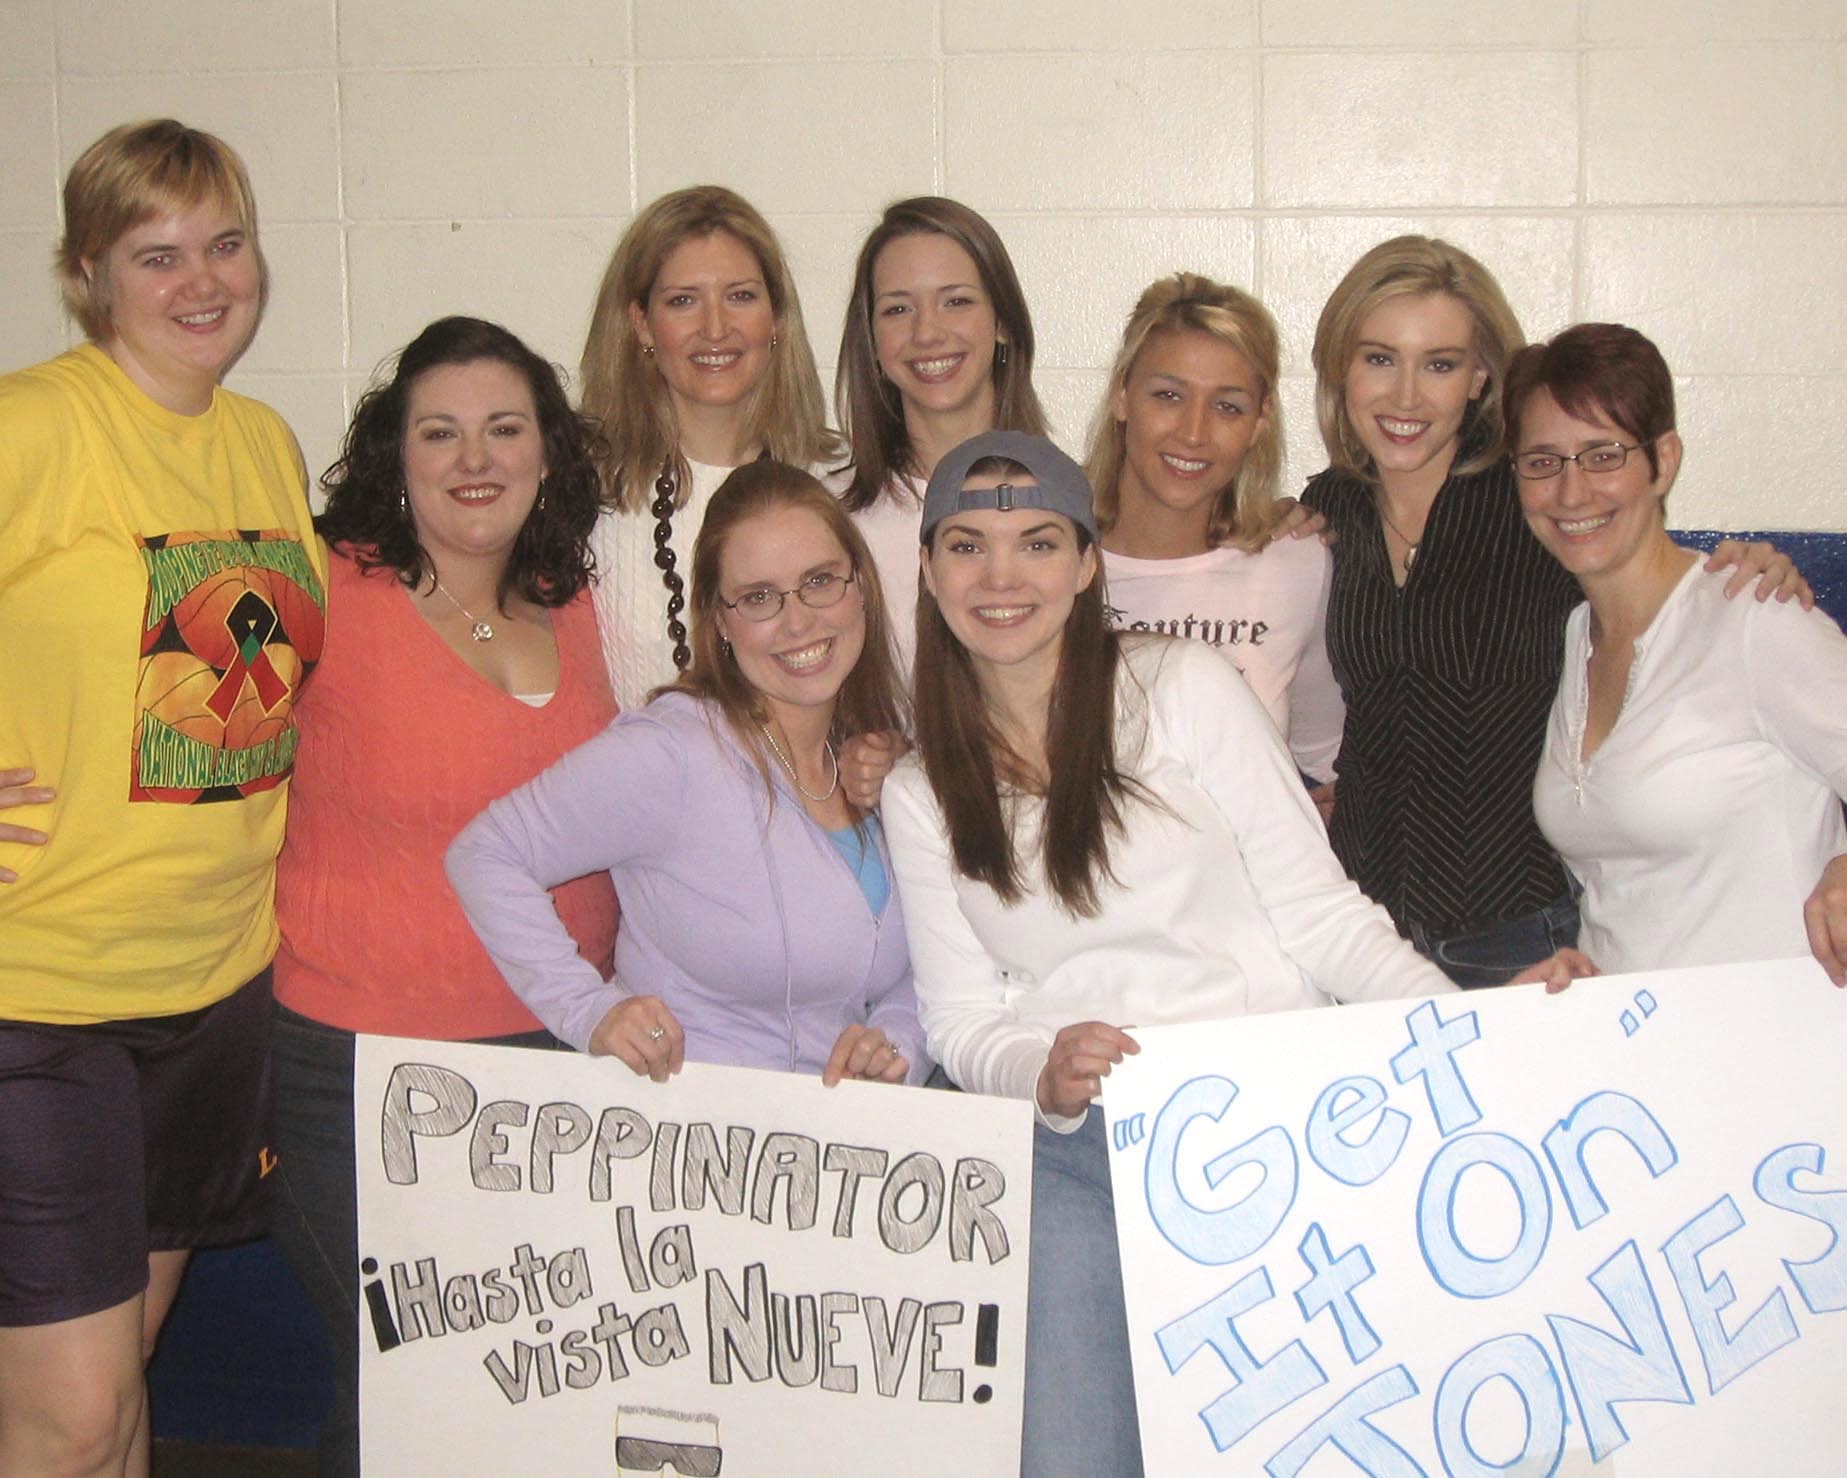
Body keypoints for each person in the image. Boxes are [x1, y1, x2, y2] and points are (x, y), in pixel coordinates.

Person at [880, 431, 1527, 1478]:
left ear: (1086, 564)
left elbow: (1322, 914)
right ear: (926, 568)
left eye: (1038, 543)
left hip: (1278, 1127)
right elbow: (961, 1022)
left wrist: (1473, 1031)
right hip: (1079, 1155)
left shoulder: (1178, 686)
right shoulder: (919, 790)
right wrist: (1039, 1073)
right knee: (1072, 1456)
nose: (1001, 578)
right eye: (966, 546)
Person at [0, 119, 324, 1477]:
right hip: (42, 993)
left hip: (214, 983)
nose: (202, 281)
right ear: (89, 274)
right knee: (71, 1416)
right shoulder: (37, 422)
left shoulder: (262, 441)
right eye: (156, 254)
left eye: (224, 244)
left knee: (117, 1391)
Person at [268, 316, 619, 1477]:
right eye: (439, 432)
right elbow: (138, 681)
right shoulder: (323, 587)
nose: (474, 458)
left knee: (527, 1394)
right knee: (410, 1388)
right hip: (357, 1074)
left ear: (546, 452)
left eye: (503, 428)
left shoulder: (583, 601)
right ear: (395, 454)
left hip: (557, 1064)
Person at [1301, 235, 1807, 987]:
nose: (1405, 397)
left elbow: (1649, 578)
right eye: (1379, 358)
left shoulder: (1536, 496)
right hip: (1361, 932)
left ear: (1479, 377)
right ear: (1340, 367)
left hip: (1519, 933)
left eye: (1439, 364)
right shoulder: (1325, 509)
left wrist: (1745, 568)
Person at [448, 460, 926, 1085]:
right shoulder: (673, 753)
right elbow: (486, 853)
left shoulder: (873, 759)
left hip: (837, 1139)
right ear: (720, 620)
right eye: (758, 597)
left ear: (859, 585)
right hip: (688, 1129)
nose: (799, 620)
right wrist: (587, 1010)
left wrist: (895, 1044)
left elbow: (922, 963)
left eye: (819, 581)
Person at [1507, 322, 1847, 981]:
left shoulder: (1753, 617)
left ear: (1662, 461)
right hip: (1643, 1035)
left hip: (1781, 1030)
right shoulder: (1577, 636)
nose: (1571, 493)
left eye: (1603, 455)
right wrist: (1586, 974)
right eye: (1543, 462)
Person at [580, 186, 840, 710]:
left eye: (740, 296)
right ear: (641, 323)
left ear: (776, 317)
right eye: (683, 301)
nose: (715, 329)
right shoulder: (584, 495)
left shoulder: (839, 484)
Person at [1087, 271, 1343, 785]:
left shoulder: (1295, 562)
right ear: (1122, 395)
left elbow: (1324, 757)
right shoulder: (1046, 558)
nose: (1194, 433)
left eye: (1227, 406)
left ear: (1259, 421)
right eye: (1168, 395)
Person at [835, 195, 1047, 680]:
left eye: (956, 302)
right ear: (871, 340)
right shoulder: (829, 519)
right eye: (898, 309)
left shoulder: (1071, 503)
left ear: (1002, 323)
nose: (927, 333)